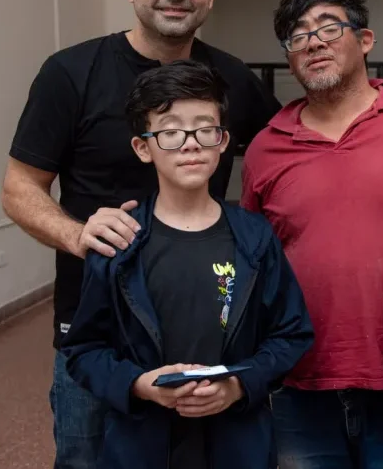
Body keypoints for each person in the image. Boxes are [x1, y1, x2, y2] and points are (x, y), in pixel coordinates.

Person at [0, 0, 383, 468]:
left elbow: (309, 132)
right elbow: (19, 188)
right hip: (108, 327)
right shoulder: (70, 73)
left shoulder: (234, 81)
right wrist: (80, 236)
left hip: (215, 339)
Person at [240, 0, 383, 469]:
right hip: (300, 381)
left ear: (365, 40)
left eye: (328, 27)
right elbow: (254, 262)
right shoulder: (265, 147)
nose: (313, 42)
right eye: (298, 35)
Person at [59, 60, 314, 469]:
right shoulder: (120, 242)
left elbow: (291, 334)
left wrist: (238, 384)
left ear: (222, 141)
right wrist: (138, 384)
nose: (190, 143)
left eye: (204, 129)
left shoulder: (254, 238)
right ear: (143, 147)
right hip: (142, 445)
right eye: (171, 131)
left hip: (237, 442)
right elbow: (84, 350)